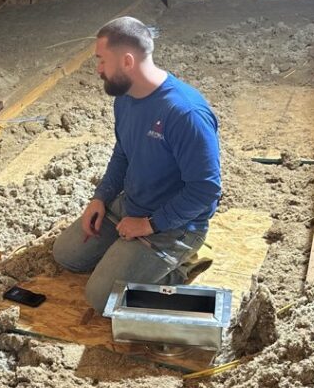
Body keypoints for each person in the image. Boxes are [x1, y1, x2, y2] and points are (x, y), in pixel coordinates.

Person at [52, 16, 221, 313]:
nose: (98, 70)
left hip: (175, 225)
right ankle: (128, 257)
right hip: (131, 205)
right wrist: (101, 197)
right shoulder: (126, 98)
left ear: (127, 61)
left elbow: (206, 190)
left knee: (101, 297)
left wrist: (149, 224)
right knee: (66, 255)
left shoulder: (185, 113)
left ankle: (178, 265)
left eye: (102, 60)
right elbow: (123, 153)